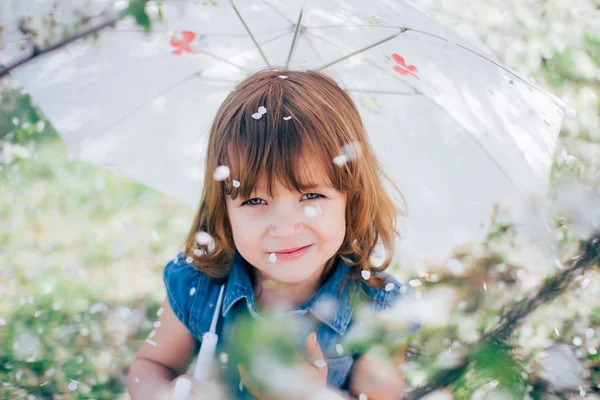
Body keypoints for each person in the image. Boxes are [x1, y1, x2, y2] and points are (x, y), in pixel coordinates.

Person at [127, 67, 420, 400]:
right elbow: (151, 365)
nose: (284, 228)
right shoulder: (201, 287)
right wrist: (172, 392)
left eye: (311, 196)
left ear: (351, 198)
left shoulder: (379, 311)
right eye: (254, 200)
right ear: (224, 207)